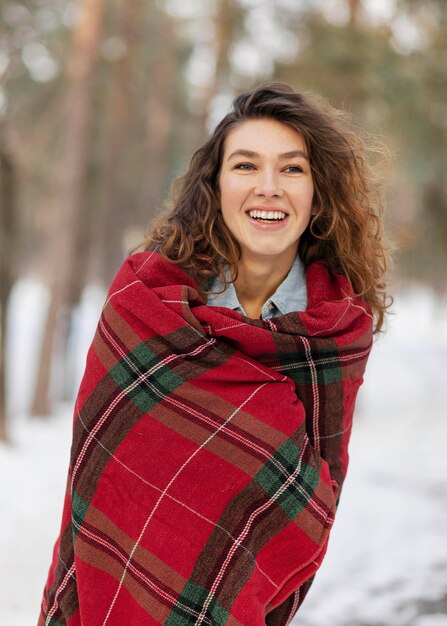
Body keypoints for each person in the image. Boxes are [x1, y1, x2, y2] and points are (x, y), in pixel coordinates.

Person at [39, 83, 389, 626]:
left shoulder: (335, 334)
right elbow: (94, 489)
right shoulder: (144, 305)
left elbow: (309, 509)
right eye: (246, 166)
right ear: (216, 184)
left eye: (292, 170)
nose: (268, 188)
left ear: (318, 192)